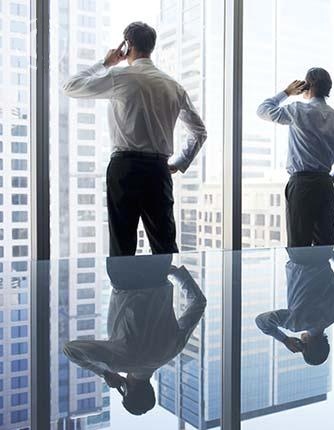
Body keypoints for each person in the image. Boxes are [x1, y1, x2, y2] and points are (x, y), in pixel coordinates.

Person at [62, 22, 207, 256]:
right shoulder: (173, 86)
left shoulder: (119, 76)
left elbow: (70, 87)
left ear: (127, 45)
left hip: (124, 168)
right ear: (151, 47)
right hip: (158, 170)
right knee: (165, 245)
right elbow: (199, 131)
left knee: (122, 245)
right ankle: (164, 291)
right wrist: (179, 163)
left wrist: (106, 63)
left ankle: (124, 292)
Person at [63, 254, 206, 415]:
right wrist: (105, 373)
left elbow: (199, 303)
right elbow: (70, 349)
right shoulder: (117, 362)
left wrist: (176, 273)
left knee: (161, 231)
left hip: (157, 271)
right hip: (124, 276)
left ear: (151, 388)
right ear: (125, 390)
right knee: (121, 230)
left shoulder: (172, 350)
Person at [257, 68, 334, 247]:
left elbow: (263, 110)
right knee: (326, 243)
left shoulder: (297, 110)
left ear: (307, 86)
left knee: (299, 244)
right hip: (325, 185)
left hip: (301, 185)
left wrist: (287, 92)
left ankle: (302, 275)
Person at [255, 247, 334, 365]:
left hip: (323, 252)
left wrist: (332, 255)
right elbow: (261, 321)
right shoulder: (296, 323)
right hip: (298, 253)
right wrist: (284, 339)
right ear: (305, 346)